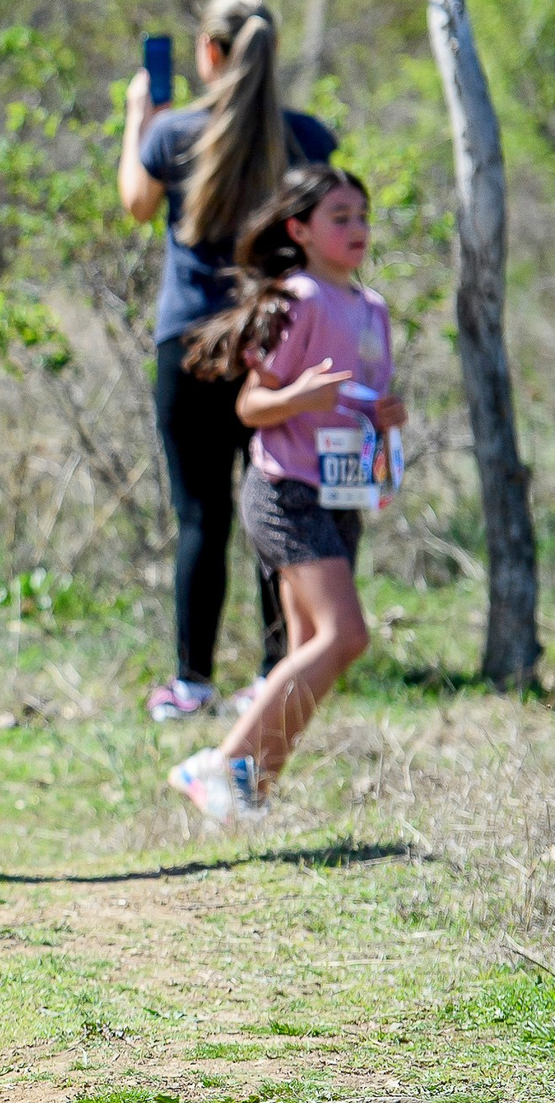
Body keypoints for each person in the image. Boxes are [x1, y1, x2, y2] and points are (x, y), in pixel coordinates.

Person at [118, 0, 337, 725]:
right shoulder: (308, 139)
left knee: (201, 517)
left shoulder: (174, 133)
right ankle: (275, 672)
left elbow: (136, 205)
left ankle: (191, 684)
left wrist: (136, 121)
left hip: (188, 344)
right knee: (275, 509)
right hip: (280, 345)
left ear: (209, 52)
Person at [167, 164, 400, 822]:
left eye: (362, 216)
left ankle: (249, 791)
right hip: (285, 491)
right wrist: (295, 397)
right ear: (299, 230)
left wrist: (384, 417)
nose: (356, 229)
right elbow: (251, 404)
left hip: (342, 491)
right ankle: (215, 766)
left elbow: (362, 396)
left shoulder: (373, 308)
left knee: (309, 651)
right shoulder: (296, 300)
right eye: (340, 218)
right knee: (344, 635)